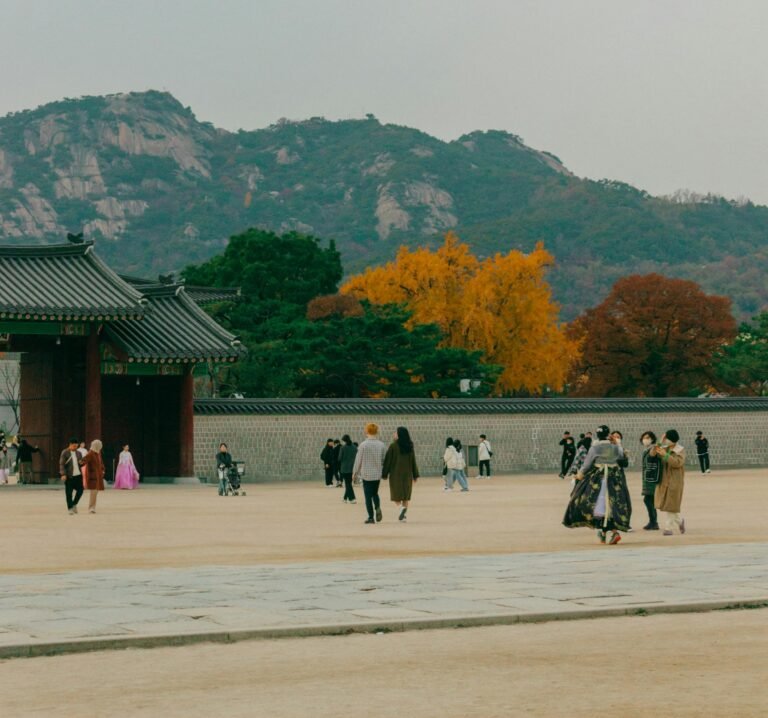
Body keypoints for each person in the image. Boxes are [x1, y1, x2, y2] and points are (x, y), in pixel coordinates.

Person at [563, 425, 632, 545]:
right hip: (614, 478)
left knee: (597, 503)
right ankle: (606, 532)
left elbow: (587, 464)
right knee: (612, 503)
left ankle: (607, 532)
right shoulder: (615, 447)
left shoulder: (595, 447)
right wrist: (618, 444)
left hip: (598, 478)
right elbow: (621, 458)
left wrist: (580, 474)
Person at [352, 423, 387, 524]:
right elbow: (385, 460)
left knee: (367, 496)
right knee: (375, 493)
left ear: (367, 431)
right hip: (377, 474)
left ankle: (371, 517)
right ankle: (377, 507)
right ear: (377, 431)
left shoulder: (363, 445)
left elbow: (358, 460)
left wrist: (354, 473)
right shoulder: (382, 445)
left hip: (366, 474)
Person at [382, 427, 419, 521]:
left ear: (399, 435)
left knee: (396, 495)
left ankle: (401, 509)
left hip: (396, 474)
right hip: (407, 474)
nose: (394, 434)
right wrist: (415, 474)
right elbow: (413, 461)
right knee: (405, 496)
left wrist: (384, 473)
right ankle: (403, 516)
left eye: (395, 433)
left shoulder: (393, 446)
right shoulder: (410, 446)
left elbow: (388, 461)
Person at [654, 429, 686, 536]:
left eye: (667, 438)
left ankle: (668, 528)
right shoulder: (664, 448)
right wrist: (659, 442)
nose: (666, 440)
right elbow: (653, 453)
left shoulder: (680, 450)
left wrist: (666, 455)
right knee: (669, 505)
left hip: (675, 481)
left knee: (671, 504)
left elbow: (677, 463)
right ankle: (680, 522)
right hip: (664, 480)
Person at [639, 431, 661, 530]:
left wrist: (660, 441)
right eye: (644, 437)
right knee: (649, 500)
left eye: (648, 437)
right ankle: (653, 522)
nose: (645, 439)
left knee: (648, 500)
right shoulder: (646, 450)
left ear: (652, 439)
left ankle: (653, 522)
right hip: (647, 478)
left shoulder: (652, 448)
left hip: (651, 479)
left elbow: (653, 453)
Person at [59, 438, 84, 514]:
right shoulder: (65, 452)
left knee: (80, 490)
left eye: (76, 446)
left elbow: (81, 464)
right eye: (73, 446)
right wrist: (63, 474)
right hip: (69, 476)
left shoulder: (79, 453)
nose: (75, 448)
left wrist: (82, 463)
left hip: (78, 475)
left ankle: (74, 504)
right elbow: (62, 464)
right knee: (69, 493)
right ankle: (70, 508)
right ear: (70, 445)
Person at [82, 439, 105, 513]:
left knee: (95, 492)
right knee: (93, 493)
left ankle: (93, 507)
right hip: (92, 476)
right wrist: (79, 462)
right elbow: (84, 460)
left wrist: (102, 469)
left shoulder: (97, 453)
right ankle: (91, 508)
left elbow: (100, 463)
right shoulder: (91, 453)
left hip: (98, 476)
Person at [338, 434, 358, 504]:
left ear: (344, 441)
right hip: (352, 468)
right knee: (348, 483)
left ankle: (352, 498)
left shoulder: (343, 448)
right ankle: (345, 498)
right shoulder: (355, 447)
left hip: (344, 468)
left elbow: (340, 458)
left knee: (348, 484)